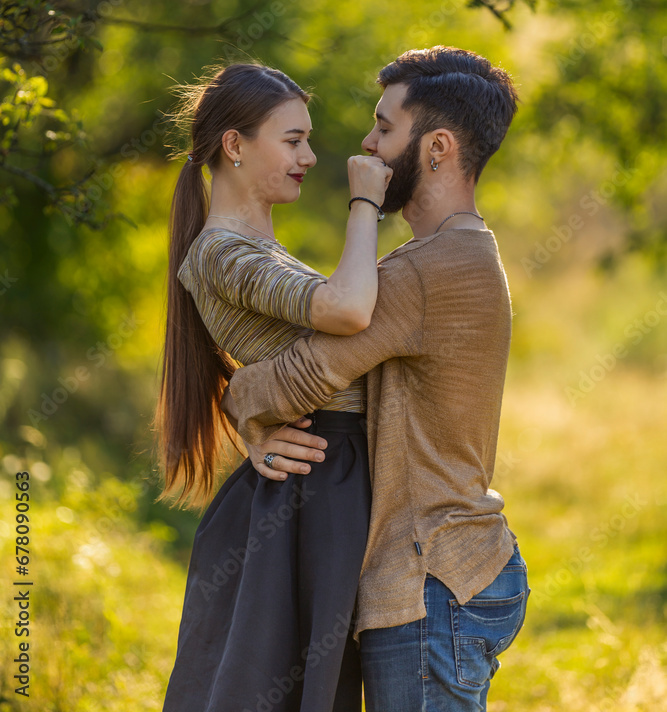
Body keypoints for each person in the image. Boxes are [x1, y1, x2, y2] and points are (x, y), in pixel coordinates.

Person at [223, 45, 531, 712]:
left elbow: (301, 377)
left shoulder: (422, 272)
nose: (366, 144)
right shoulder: (466, 250)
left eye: (384, 128)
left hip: (429, 581)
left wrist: (235, 397)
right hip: (463, 564)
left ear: (437, 148)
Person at [154, 61, 392, 712]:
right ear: (234, 144)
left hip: (320, 478)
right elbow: (347, 309)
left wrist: (245, 405)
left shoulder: (257, 249)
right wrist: (365, 202)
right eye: (293, 140)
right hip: (311, 487)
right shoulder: (222, 252)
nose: (309, 157)